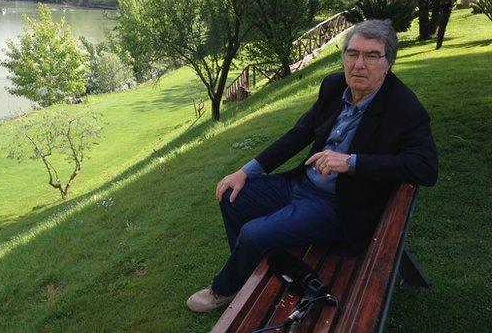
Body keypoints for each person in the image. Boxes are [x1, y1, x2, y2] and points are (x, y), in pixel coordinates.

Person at [186, 19, 438, 313]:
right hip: (301, 184)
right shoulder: (333, 86)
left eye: (371, 55)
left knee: (254, 233)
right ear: (343, 57)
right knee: (233, 195)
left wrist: (352, 162)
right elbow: (300, 133)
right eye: (352, 53)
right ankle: (253, 268)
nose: (359, 64)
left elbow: (426, 167)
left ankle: (223, 290)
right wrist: (245, 171)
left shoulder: (404, 108)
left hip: (335, 205)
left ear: (388, 63)